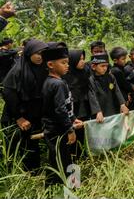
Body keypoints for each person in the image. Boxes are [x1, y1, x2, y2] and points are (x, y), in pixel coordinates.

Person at [1, 39, 48, 172]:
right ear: (28, 53)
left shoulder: (42, 68)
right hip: (15, 116)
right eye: (36, 53)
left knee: (32, 145)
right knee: (12, 147)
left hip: (34, 115)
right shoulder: (18, 70)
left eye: (42, 53)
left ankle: (33, 173)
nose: (40, 56)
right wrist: (19, 117)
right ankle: (10, 176)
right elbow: (8, 92)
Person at [41, 44, 83, 185]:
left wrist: (73, 119)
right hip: (58, 130)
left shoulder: (57, 81)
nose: (67, 66)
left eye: (67, 63)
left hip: (59, 127)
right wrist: (70, 130)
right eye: (63, 63)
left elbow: (66, 106)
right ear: (50, 64)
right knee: (61, 159)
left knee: (60, 157)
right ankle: (70, 186)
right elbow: (60, 110)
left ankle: (69, 185)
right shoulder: (57, 84)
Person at [63, 50, 90, 159]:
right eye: (80, 59)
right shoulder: (65, 77)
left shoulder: (85, 72)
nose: (83, 62)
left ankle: (84, 154)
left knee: (83, 134)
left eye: (83, 59)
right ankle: (74, 157)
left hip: (84, 108)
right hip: (72, 111)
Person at [88, 53, 128, 123]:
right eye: (102, 66)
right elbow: (92, 96)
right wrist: (98, 111)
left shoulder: (110, 77)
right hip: (100, 110)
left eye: (106, 66)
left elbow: (117, 91)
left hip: (112, 106)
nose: (105, 68)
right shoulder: (91, 80)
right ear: (93, 67)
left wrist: (122, 104)